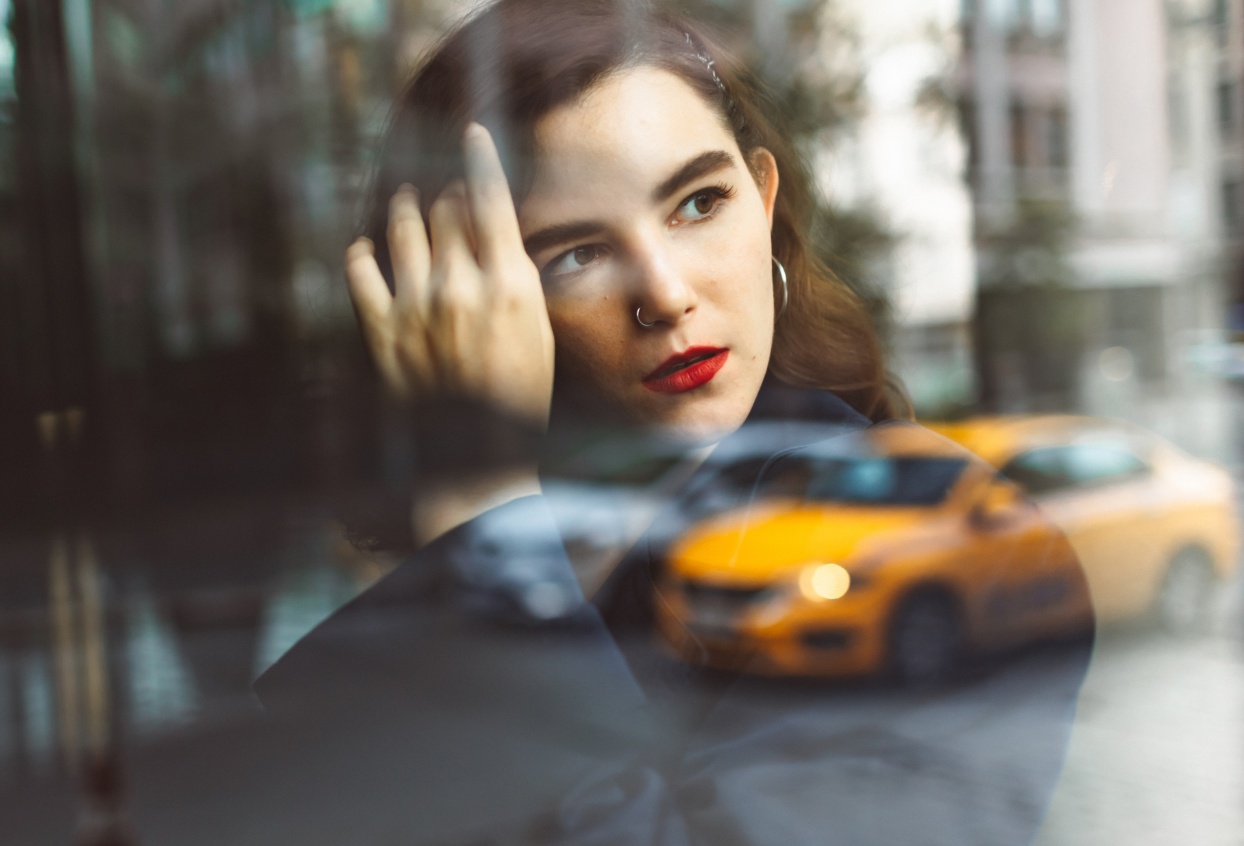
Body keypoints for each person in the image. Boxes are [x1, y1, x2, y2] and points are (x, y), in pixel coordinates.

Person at [235, 1, 1093, 843]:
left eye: (697, 204)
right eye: (578, 253)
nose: (666, 292)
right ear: (459, 307)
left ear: (763, 201)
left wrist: (484, 508)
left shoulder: (953, 549)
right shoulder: (413, 627)